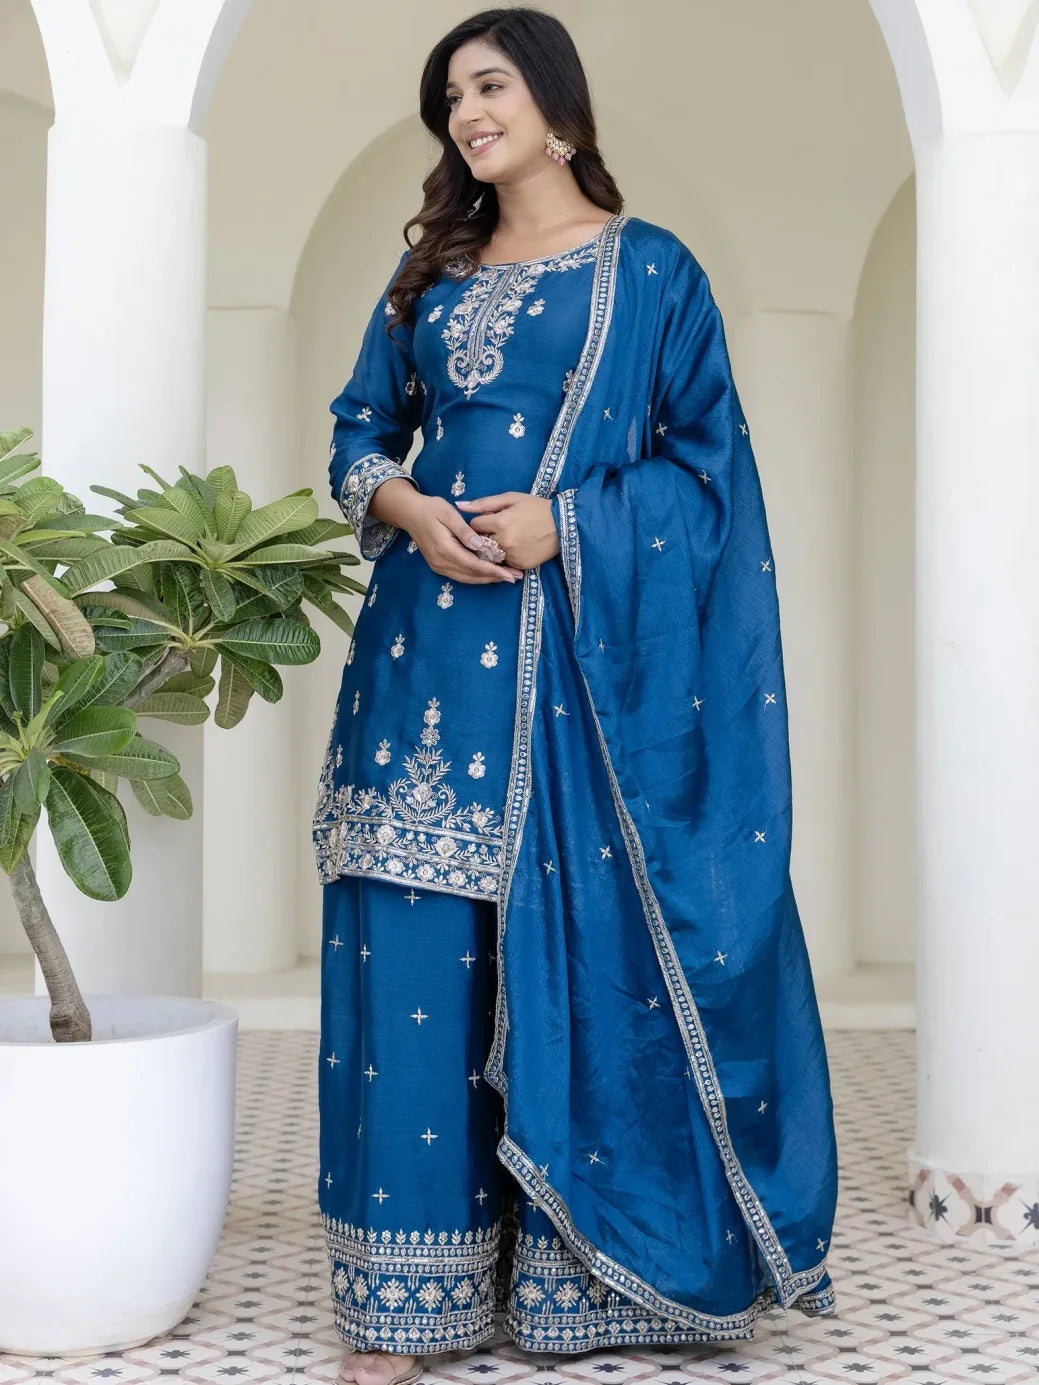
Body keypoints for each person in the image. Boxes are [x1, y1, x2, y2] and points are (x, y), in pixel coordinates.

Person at [312, 8, 839, 1384]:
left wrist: (572, 525)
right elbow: (356, 432)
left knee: (570, 941)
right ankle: (404, 1305)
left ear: (560, 107)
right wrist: (406, 502)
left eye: (487, 87)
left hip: (580, 680)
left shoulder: (653, 274)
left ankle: (580, 1278)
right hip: (422, 664)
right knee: (417, 952)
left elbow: (712, 482)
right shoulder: (424, 273)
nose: (463, 115)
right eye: (448, 99)